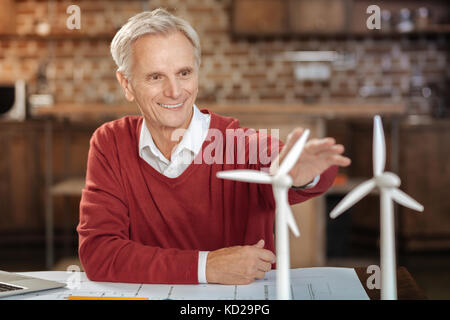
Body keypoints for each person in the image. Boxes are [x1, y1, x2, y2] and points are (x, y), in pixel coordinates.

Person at [77, 8, 351, 285]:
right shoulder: (111, 142)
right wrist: (206, 266)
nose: (174, 91)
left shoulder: (237, 144)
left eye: (184, 73)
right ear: (126, 84)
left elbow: (316, 172)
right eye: (155, 77)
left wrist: (299, 173)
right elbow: (99, 254)